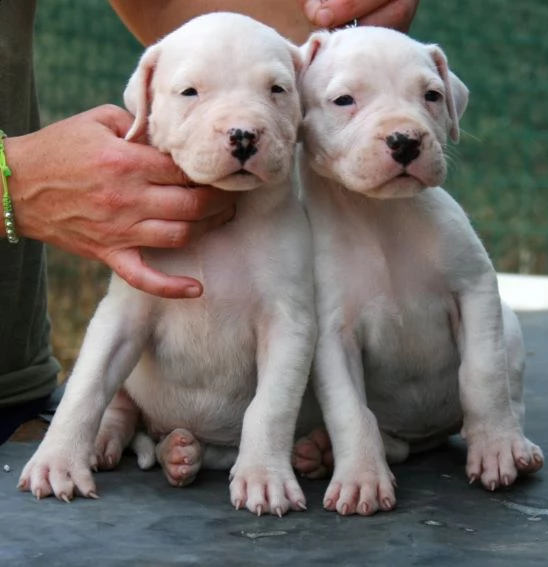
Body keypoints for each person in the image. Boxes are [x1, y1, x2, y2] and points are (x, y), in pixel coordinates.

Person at [0, 0, 419, 445]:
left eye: (277, 90)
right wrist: (11, 179)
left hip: (15, 381)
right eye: (190, 93)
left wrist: (334, 26)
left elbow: (192, 22)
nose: (242, 127)